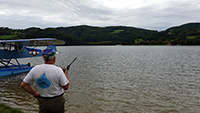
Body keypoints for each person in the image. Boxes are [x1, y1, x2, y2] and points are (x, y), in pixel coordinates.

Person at [20, 48, 69, 113]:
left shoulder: (35, 69)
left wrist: (34, 94)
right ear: (54, 58)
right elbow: (66, 87)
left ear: (43, 57)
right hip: (57, 101)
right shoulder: (58, 70)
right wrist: (65, 74)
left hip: (43, 100)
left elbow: (23, 85)